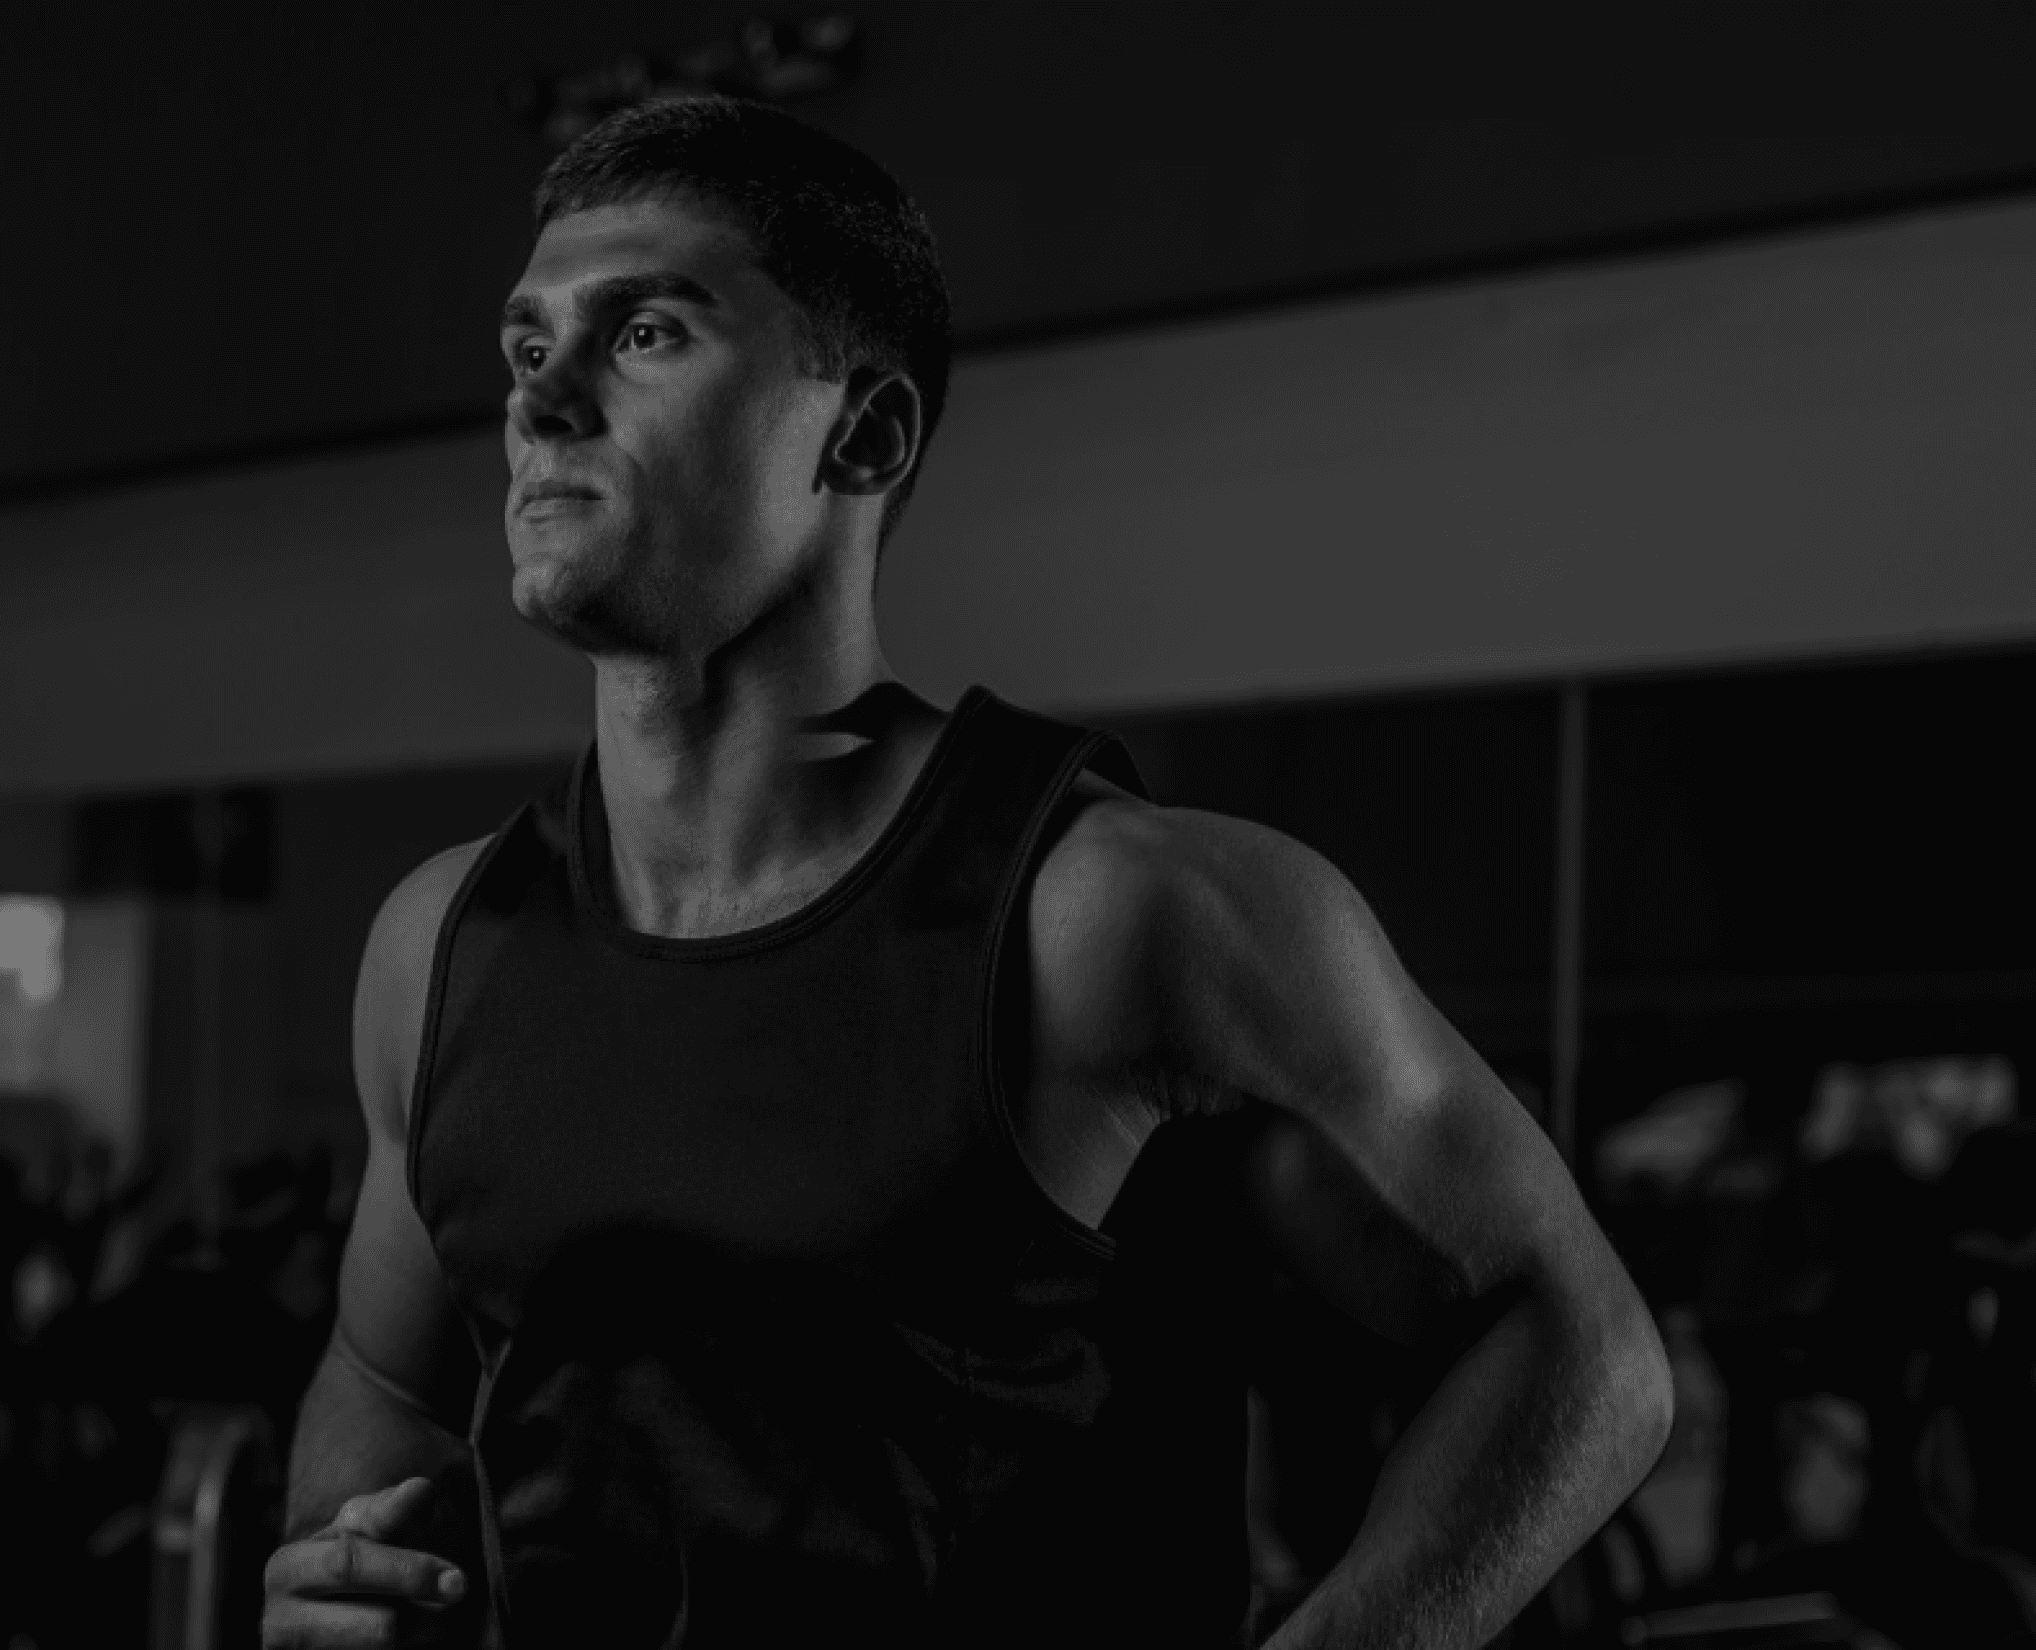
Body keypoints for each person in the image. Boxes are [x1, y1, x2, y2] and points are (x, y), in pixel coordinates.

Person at [259, 97, 1670, 1648]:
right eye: (529, 351)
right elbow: (388, 1376)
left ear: (862, 432)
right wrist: (351, 1564)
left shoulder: (1113, 907)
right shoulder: (441, 941)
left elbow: (1586, 1347)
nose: (545, 404)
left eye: (647, 333)